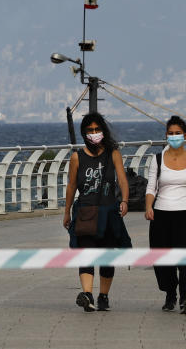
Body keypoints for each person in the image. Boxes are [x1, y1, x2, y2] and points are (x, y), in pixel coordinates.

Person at [63, 112, 131, 312]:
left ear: (103, 130)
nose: (94, 134)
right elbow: (71, 186)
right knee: (86, 254)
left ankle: (103, 296)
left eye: (97, 129)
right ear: (84, 134)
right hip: (86, 213)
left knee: (107, 256)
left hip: (109, 212)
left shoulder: (113, 154)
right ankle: (87, 294)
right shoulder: (77, 157)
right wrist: (66, 212)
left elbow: (122, 179)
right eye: (90, 131)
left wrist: (125, 200)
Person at [145, 115, 186, 314]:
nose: (174, 136)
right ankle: (170, 293)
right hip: (161, 213)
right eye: (170, 133)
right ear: (166, 135)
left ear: (185, 135)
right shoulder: (157, 158)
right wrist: (148, 207)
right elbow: (151, 187)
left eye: (178, 133)